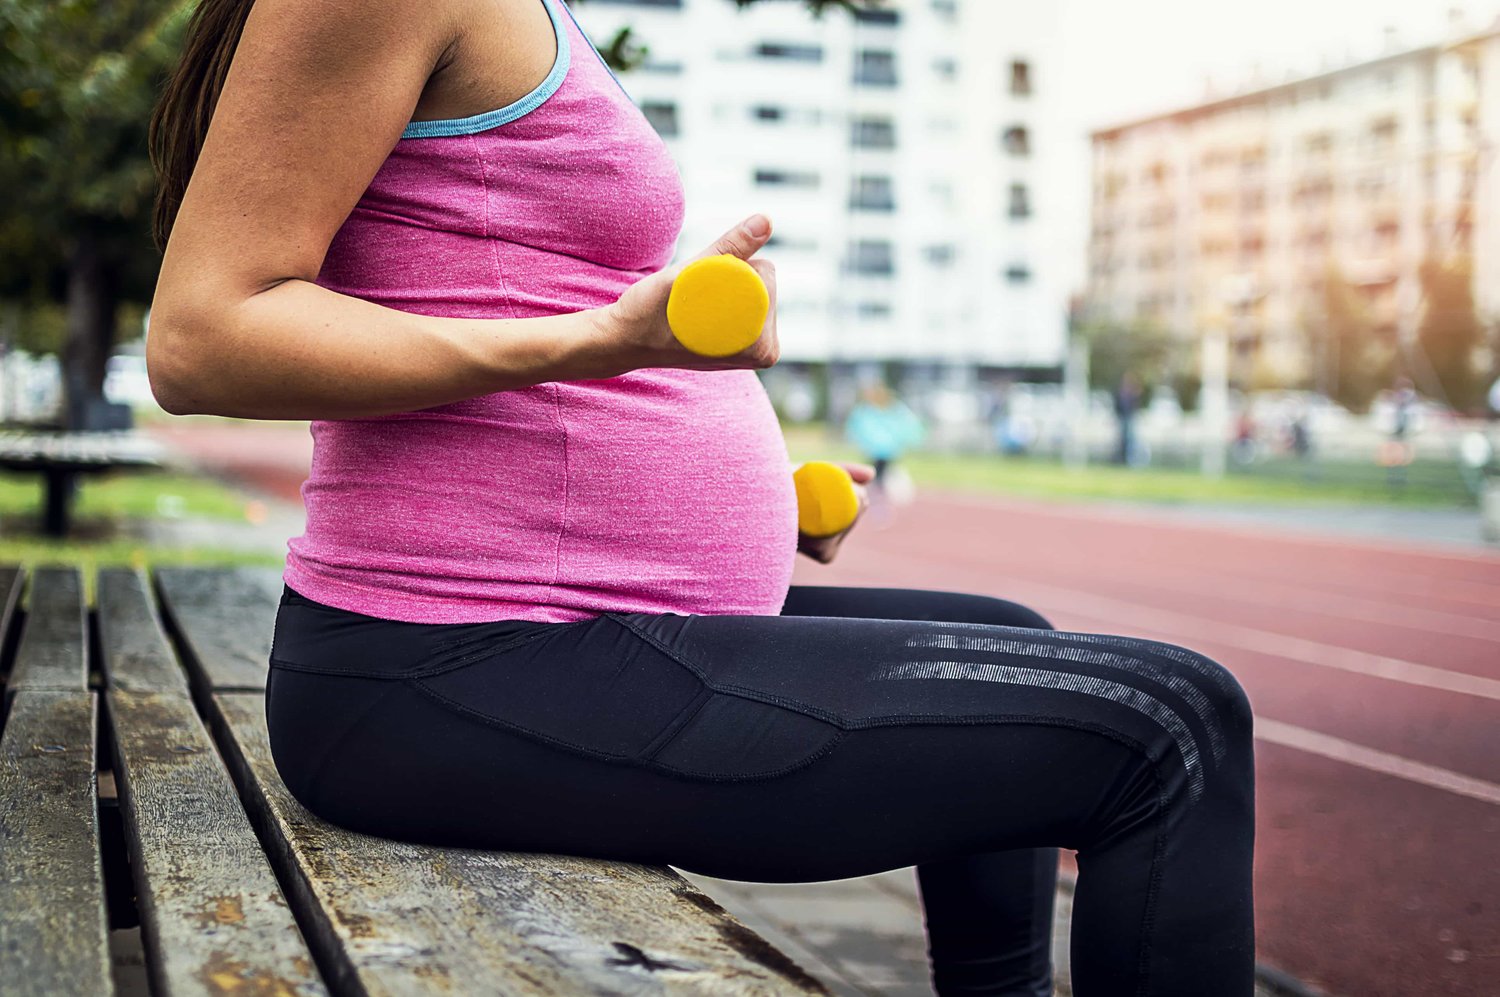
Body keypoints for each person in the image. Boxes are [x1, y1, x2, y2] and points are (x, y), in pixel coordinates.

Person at [145, 1, 1256, 993]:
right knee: (1171, 728)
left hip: (538, 627)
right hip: (438, 666)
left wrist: (746, 500)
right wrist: (604, 342)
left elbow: (483, 282)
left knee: (1007, 635)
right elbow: (205, 338)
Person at [845, 381, 924, 500]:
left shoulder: (890, 411)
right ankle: (879, 495)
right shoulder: (870, 411)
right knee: (875, 475)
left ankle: (880, 496)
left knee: (877, 476)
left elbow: (906, 426)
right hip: (878, 450)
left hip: (884, 451)